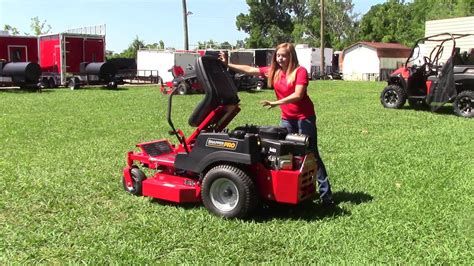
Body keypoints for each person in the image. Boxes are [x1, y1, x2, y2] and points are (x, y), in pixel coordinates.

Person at [218, 43, 334, 206]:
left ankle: (326, 195)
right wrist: (227, 64)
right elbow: (250, 70)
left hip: (304, 118)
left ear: (291, 56)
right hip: (287, 119)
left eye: (284, 55)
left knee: (311, 155)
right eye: (278, 55)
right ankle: (291, 193)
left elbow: (298, 95)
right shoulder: (274, 71)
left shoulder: (299, 72)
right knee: (285, 154)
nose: (280, 58)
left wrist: (276, 102)